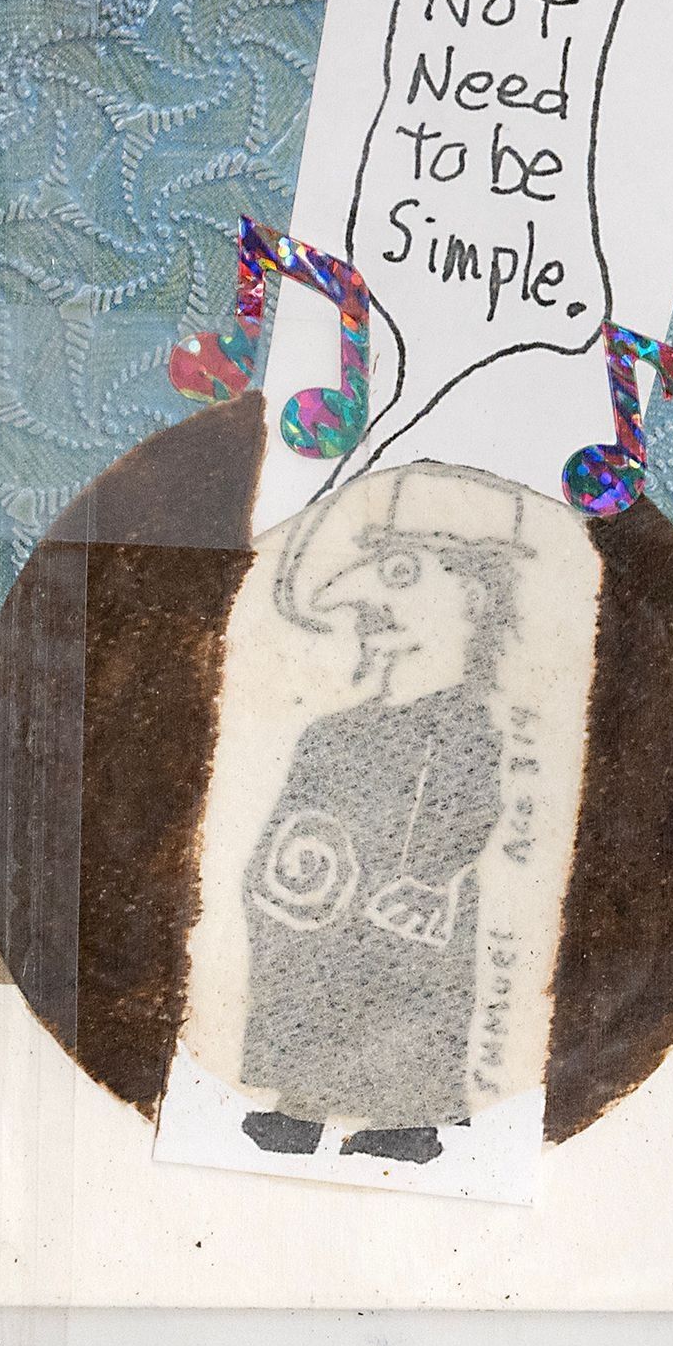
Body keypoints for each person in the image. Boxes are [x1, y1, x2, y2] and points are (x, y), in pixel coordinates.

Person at [239, 464, 529, 1159]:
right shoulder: (334, 733)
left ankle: (400, 1125)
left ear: (473, 598)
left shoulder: (460, 726)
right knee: (317, 987)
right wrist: (278, 882)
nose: (366, 598)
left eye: (402, 573)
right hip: (326, 908)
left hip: (406, 912)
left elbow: (467, 806)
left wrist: (427, 880)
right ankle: (301, 1104)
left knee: (407, 1006)